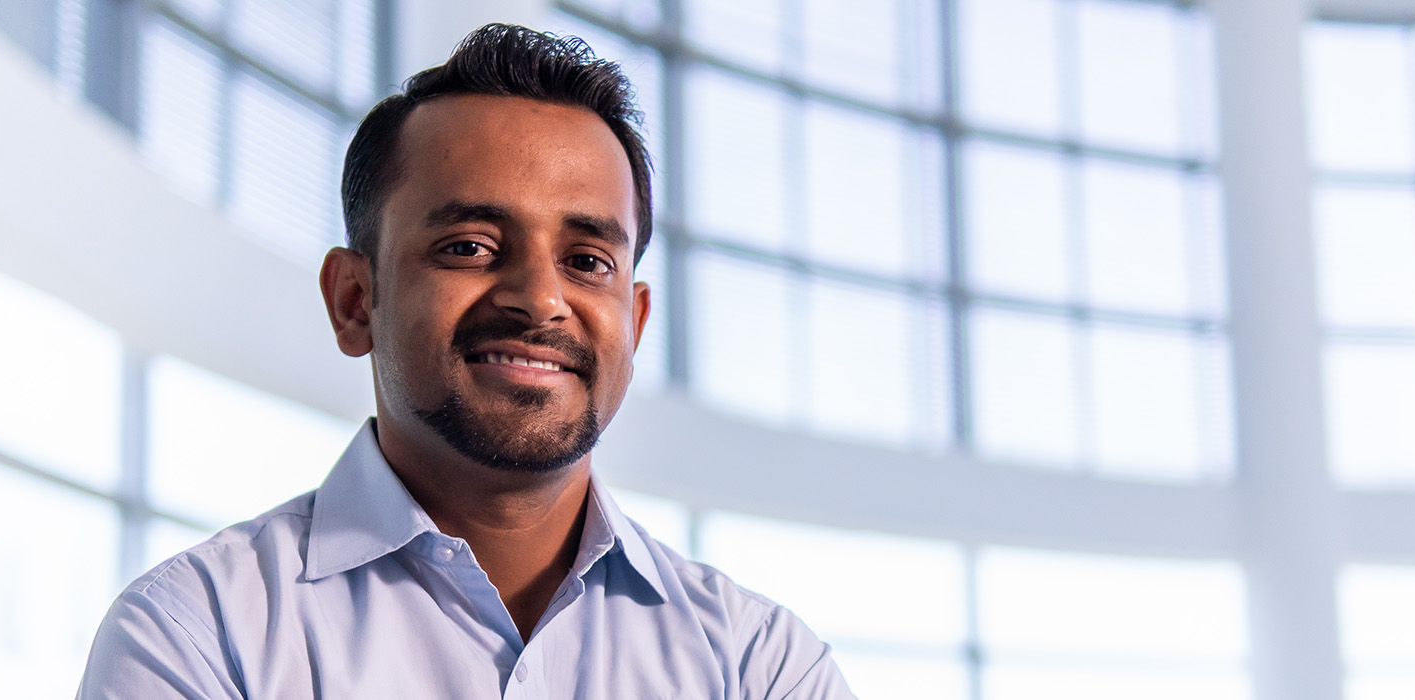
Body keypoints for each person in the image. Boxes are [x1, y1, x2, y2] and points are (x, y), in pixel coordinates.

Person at [76, 23, 854, 700]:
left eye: (587, 261)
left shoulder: (762, 664)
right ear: (355, 301)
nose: (539, 299)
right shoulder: (199, 635)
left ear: (636, 322)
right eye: (470, 247)